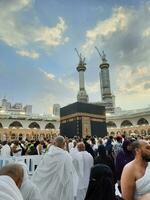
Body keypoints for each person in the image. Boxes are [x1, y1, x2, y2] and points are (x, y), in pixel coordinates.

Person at [32, 136, 75, 200]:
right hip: (59, 186)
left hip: (46, 186)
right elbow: (69, 172)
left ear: (55, 143)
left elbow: (40, 170)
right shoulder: (66, 156)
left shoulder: (47, 155)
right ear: (64, 144)